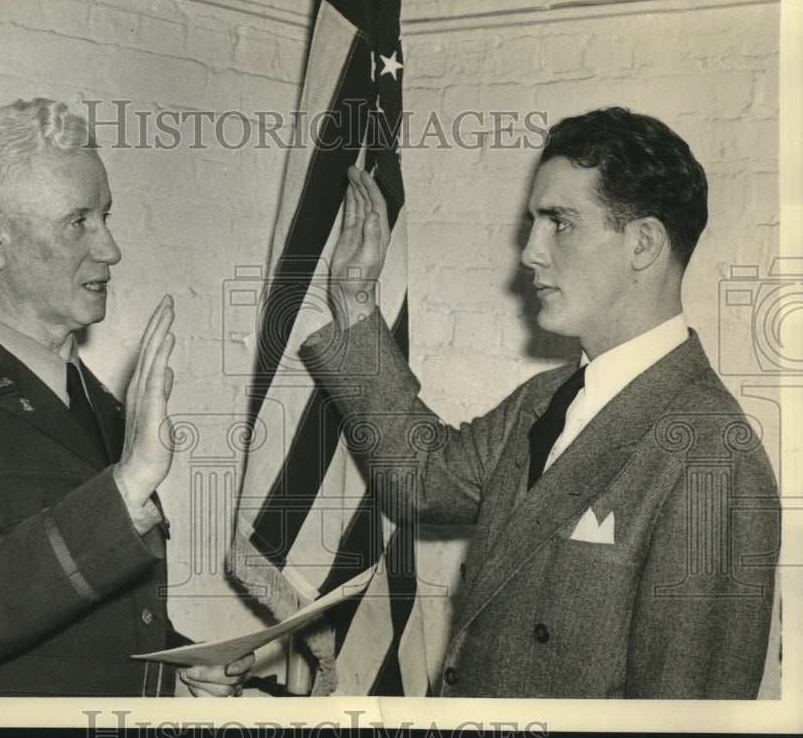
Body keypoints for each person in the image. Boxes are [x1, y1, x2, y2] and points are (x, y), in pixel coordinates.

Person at [299, 107, 780, 698]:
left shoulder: (714, 459)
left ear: (644, 243)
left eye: (560, 223)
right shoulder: (545, 399)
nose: (530, 252)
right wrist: (354, 303)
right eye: (534, 223)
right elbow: (424, 478)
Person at [0, 98, 253, 697]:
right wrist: (128, 483)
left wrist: (178, 667)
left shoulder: (107, 412)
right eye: (78, 221)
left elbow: (89, 624)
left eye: (106, 216)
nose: (110, 249)